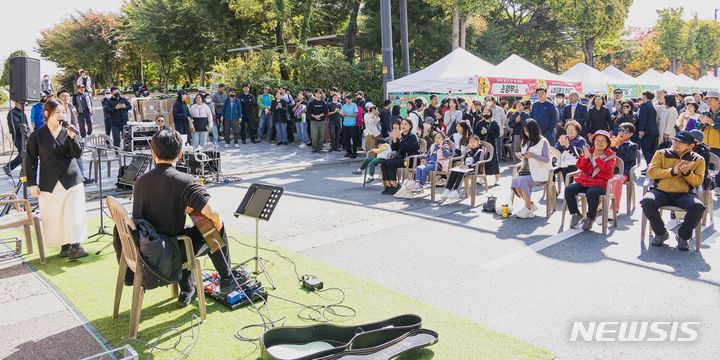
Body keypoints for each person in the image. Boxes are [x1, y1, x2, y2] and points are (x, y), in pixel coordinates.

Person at [132, 128, 236, 306]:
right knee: (210, 224)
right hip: (168, 254)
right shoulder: (184, 180)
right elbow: (214, 212)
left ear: (153, 153)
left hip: (144, 251)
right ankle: (227, 279)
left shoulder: (140, 181)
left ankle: (188, 289)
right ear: (180, 153)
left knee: (183, 233)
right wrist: (216, 225)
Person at [27, 99, 88, 260]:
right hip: (49, 181)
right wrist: (32, 183)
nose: (61, 115)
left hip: (71, 179)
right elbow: (30, 160)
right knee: (55, 215)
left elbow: (77, 154)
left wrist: (73, 138)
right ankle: (65, 246)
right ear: (47, 114)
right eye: (57, 112)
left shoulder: (68, 131)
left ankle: (76, 245)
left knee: (73, 213)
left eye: (63, 112)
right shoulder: (37, 136)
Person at [640, 131, 706, 251]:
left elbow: (697, 182)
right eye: (675, 140)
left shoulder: (698, 159)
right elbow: (652, 172)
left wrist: (687, 173)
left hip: (684, 193)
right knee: (647, 201)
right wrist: (672, 171)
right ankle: (661, 233)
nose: (676, 144)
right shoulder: (661, 153)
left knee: (698, 207)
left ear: (690, 146)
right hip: (661, 191)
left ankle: (683, 236)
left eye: (681, 143)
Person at [564, 130, 617, 231]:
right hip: (585, 181)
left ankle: (590, 217)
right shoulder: (589, 151)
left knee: (591, 193)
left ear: (607, 143)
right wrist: (585, 157)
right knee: (569, 189)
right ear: (593, 141)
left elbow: (608, 170)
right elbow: (580, 167)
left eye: (603, 141)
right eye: (597, 140)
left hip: (601, 184)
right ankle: (575, 214)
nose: (599, 143)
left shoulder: (611, 156)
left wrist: (597, 159)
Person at [511, 119, 552, 218]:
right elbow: (526, 156)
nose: (526, 133)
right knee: (515, 181)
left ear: (534, 130)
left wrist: (533, 155)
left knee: (522, 181)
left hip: (540, 172)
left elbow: (547, 159)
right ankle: (530, 205)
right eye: (525, 131)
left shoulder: (543, 141)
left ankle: (528, 208)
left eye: (528, 131)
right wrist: (522, 156)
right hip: (526, 171)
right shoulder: (525, 141)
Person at [380, 118, 420, 194]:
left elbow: (407, 147)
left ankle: (395, 185)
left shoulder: (413, 136)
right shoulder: (401, 135)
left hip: (410, 161)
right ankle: (389, 185)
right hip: (402, 159)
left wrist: (400, 138)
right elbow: (394, 149)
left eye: (405, 124)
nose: (403, 126)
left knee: (390, 163)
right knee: (384, 162)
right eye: (402, 124)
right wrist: (395, 139)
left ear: (410, 126)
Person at [441, 134, 485, 200]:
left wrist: (468, 166)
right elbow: (465, 161)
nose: (472, 144)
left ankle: (456, 191)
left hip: (475, 170)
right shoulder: (468, 152)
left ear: (478, 142)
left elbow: (480, 162)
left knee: (461, 172)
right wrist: (462, 164)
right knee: (454, 171)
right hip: (466, 169)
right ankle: (448, 189)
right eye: (470, 142)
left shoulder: (480, 151)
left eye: (474, 142)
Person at [698, 90, 720, 195]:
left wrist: (712, 123)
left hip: (718, 144)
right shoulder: (705, 113)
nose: (708, 101)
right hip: (705, 144)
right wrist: (701, 123)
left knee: (717, 166)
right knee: (706, 166)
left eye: (711, 99)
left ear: (718, 100)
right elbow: (697, 128)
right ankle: (708, 184)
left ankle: (718, 186)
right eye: (707, 99)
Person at [475, 106, 501, 186]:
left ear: (491, 113)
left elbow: (497, 134)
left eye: (487, 112)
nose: (486, 114)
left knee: (493, 162)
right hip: (481, 145)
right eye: (484, 112)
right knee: (481, 161)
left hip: (491, 145)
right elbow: (475, 134)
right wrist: (481, 133)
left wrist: (488, 131)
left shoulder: (494, 123)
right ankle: (482, 177)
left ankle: (497, 179)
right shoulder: (480, 123)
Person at [3, 101, 27, 176]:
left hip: (24, 136)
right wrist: (26, 131)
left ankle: (23, 172)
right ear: (16, 103)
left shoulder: (22, 113)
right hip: (18, 137)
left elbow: (26, 126)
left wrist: (28, 132)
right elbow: (17, 127)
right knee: (24, 153)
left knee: (26, 153)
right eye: (21, 103)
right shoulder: (13, 113)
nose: (23, 105)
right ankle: (9, 166)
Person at [637, 91, 659, 173]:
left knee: (646, 149)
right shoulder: (651, 105)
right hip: (654, 131)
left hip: (647, 131)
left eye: (642, 96)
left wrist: (641, 129)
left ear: (645, 96)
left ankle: (650, 167)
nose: (641, 97)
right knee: (652, 150)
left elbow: (643, 118)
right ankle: (652, 167)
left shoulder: (644, 105)